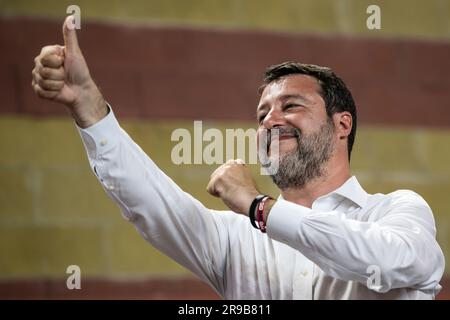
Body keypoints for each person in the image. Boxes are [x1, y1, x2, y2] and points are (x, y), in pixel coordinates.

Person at [32, 16, 444, 299]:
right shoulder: (234, 238)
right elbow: (149, 202)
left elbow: (392, 260)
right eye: (262, 114)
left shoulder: (395, 211)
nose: (270, 121)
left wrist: (260, 207)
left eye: (291, 106)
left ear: (342, 124)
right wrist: (89, 108)